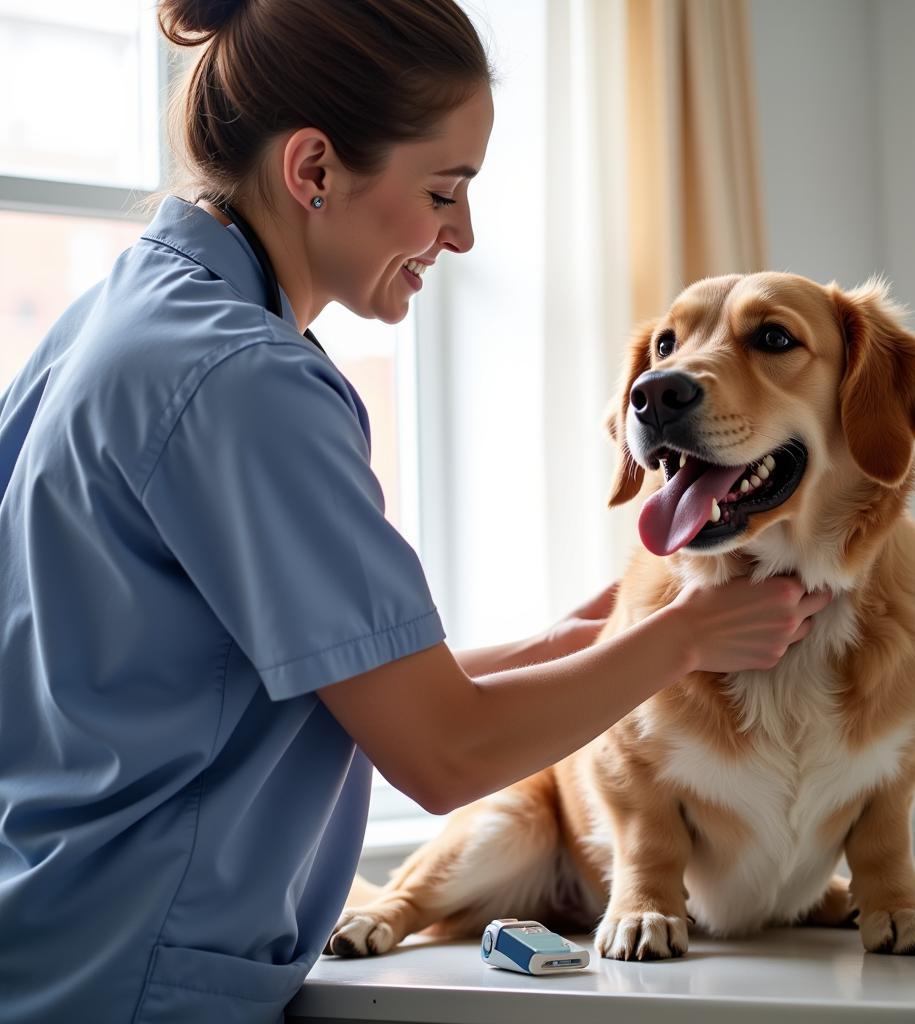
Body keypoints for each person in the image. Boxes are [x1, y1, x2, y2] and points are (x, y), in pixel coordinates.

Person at [0, 2, 832, 1022]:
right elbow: (443, 754)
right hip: (135, 977)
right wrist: (686, 636)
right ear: (313, 170)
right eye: (444, 191)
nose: (462, 233)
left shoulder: (115, 316)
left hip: (54, 931)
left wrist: (568, 641)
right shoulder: (243, 382)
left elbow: (291, 692)